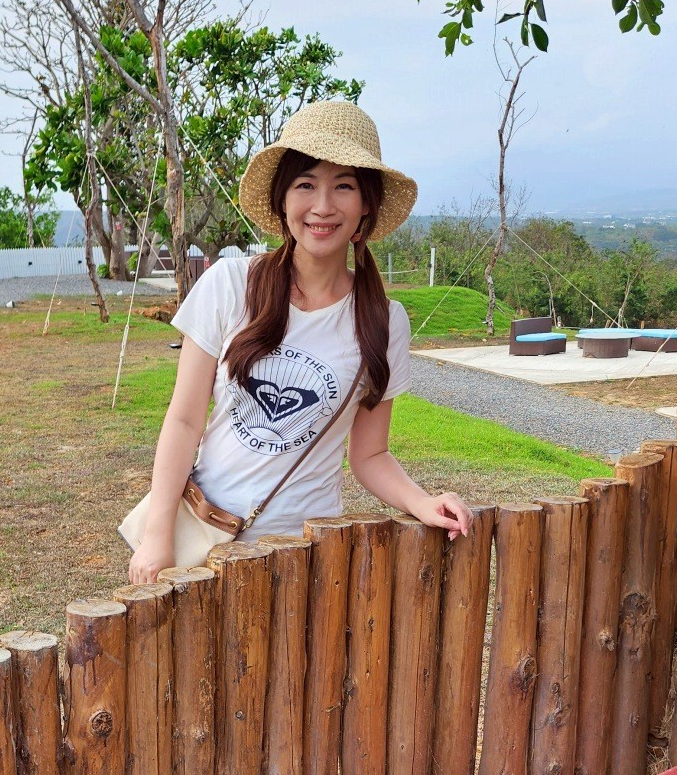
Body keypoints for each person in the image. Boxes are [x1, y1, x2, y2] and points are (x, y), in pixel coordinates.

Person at [126, 100, 473, 584]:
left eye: (344, 186)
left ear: (366, 204)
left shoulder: (383, 322)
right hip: (204, 546)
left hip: (307, 555)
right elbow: (184, 421)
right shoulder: (230, 284)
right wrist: (158, 535)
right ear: (282, 198)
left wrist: (422, 500)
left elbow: (369, 454)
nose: (323, 206)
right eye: (305, 184)